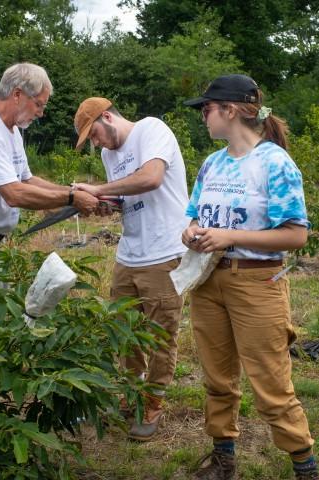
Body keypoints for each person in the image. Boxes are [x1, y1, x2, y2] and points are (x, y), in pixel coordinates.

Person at [182, 74, 319, 480]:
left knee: (272, 387)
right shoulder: (213, 162)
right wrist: (189, 231)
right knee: (217, 378)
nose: (202, 116)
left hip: (257, 283)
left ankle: (305, 468)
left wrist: (228, 236)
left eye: (206, 109)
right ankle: (224, 458)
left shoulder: (274, 162)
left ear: (230, 110)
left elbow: (296, 234)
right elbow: (191, 214)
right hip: (208, 281)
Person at [73, 97, 190, 441]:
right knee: (121, 329)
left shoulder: (152, 130)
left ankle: (152, 402)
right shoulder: (110, 155)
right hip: (130, 252)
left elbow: (151, 178)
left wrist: (99, 188)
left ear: (108, 117)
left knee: (160, 332)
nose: (95, 144)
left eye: (93, 134)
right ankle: (132, 393)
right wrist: (101, 204)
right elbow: (127, 199)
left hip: (164, 249)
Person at [0, 63, 98, 240]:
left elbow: (27, 180)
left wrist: (73, 191)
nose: (41, 114)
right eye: (39, 104)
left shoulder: (13, 131)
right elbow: (14, 194)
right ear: (17, 95)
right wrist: (72, 198)